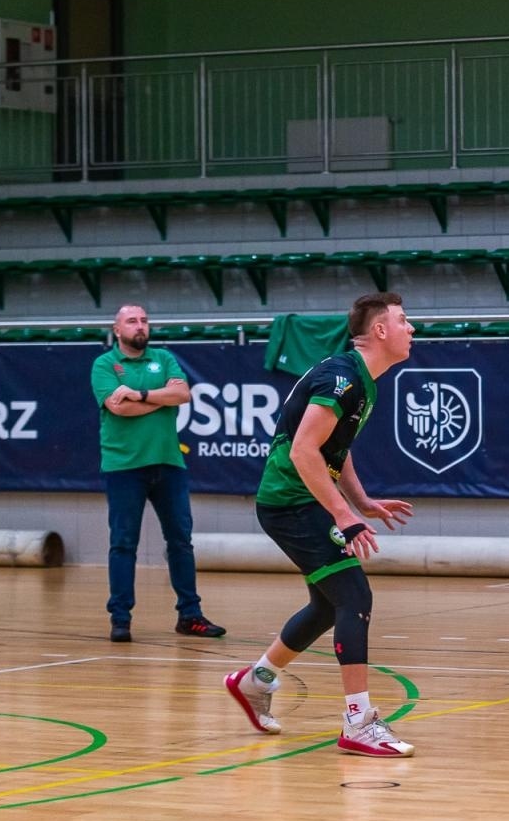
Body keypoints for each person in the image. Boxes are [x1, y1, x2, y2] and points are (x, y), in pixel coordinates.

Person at [224, 292, 417, 757]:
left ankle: (255, 681)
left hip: (303, 500)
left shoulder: (361, 381)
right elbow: (303, 452)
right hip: (291, 503)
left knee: (329, 605)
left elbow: (335, 448)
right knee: (355, 596)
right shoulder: (341, 378)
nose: (412, 329)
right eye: (404, 320)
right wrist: (344, 516)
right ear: (380, 331)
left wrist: (361, 500)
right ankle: (358, 722)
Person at [90, 304, 225, 643]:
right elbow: (117, 407)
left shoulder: (163, 358)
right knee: (123, 544)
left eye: (144, 320)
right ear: (117, 330)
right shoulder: (105, 364)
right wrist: (160, 400)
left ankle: (190, 616)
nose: (140, 326)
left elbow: (183, 394)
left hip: (168, 463)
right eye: (132, 321)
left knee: (180, 541)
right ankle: (120, 619)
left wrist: (141, 393)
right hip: (124, 467)